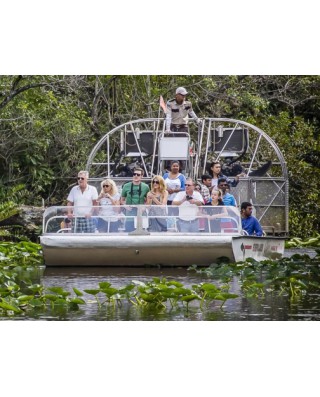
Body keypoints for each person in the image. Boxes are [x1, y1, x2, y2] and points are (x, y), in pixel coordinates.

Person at [120, 167, 149, 232]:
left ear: (142, 176)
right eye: (134, 174)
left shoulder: (146, 187)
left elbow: (148, 201)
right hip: (130, 215)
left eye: (138, 175)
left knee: (143, 236)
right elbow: (122, 200)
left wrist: (144, 207)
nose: (136, 176)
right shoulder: (126, 186)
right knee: (129, 235)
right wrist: (125, 206)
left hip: (141, 215)